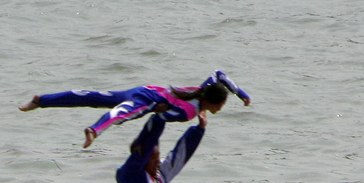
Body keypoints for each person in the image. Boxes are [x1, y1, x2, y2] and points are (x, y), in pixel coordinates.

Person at [19, 70, 249, 148]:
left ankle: (41, 100)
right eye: (222, 104)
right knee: (122, 114)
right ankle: (94, 130)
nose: (221, 108)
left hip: (144, 88)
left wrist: (241, 94)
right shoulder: (188, 112)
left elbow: (219, 75)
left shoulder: (202, 89)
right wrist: (198, 121)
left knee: (93, 97)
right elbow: (162, 116)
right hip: (146, 101)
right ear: (213, 102)